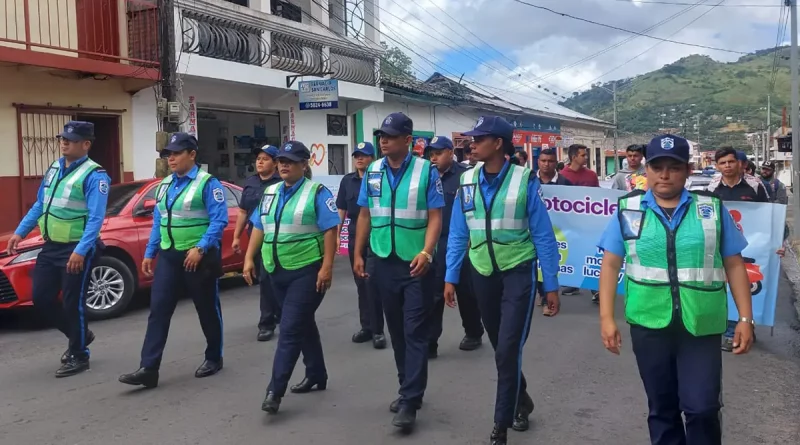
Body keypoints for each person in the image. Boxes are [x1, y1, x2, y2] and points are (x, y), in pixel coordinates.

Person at [597, 134, 754, 445]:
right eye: (658, 167)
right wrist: (606, 318)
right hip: (648, 323)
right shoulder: (629, 209)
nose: (665, 175)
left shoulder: (710, 209)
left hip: (701, 324)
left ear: (687, 171)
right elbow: (611, 264)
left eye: (674, 167)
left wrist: (746, 320)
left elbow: (734, 265)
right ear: (647, 170)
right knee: (662, 407)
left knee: (702, 408)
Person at [445, 116, 561, 445]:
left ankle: (501, 424)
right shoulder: (466, 181)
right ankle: (522, 399)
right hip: (481, 272)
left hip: (518, 272)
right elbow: (458, 232)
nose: (472, 143)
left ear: (498, 143)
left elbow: (543, 235)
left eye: (479, 139)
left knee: (508, 348)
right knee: (501, 349)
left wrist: (549, 284)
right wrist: (451, 275)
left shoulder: (525, 181)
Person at [352, 112, 444, 430]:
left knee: (414, 330)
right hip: (382, 259)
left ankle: (409, 401)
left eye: (390, 135)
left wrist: (427, 252)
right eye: (381, 135)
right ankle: (409, 389)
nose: (383, 139)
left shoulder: (426, 171)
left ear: (408, 140)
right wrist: (359, 253)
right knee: (397, 331)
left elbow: (435, 216)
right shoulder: (373, 171)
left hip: (415, 263)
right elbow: (364, 214)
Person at [119, 133, 228, 388]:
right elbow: (160, 220)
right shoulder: (165, 184)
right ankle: (149, 368)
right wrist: (150, 252)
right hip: (169, 256)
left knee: (207, 309)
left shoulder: (208, 183)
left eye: (177, 153)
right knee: (158, 311)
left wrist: (200, 248)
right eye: (169, 154)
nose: (171, 158)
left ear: (192, 154)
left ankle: (214, 357)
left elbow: (219, 220)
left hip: (198, 257)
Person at [7, 121, 109, 378]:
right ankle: (82, 335)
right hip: (51, 247)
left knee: (73, 303)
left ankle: (79, 354)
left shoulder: (95, 176)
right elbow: (41, 204)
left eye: (71, 140)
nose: (64, 142)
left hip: (77, 248)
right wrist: (20, 231)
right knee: (41, 299)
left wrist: (81, 251)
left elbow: (96, 219)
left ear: (86, 144)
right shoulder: (54, 167)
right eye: (62, 138)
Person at [242, 141, 338, 414]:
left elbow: (331, 229)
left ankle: (275, 390)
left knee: (290, 329)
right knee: (302, 323)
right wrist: (250, 257)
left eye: (291, 161)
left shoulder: (316, 192)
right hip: (275, 270)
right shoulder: (270, 192)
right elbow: (259, 226)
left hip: (307, 271)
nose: (284, 165)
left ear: (304, 164)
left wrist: (327, 267)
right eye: (281, 160)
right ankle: (317, 374)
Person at [425, 136, 485, 357]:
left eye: (438, 152)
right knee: (434, 293)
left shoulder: (465, 176)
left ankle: (473, 331)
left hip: (462, 242)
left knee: (466, 292)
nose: (433, 157)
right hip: (435, 242)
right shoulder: (426, 176)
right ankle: (430, 341)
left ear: (451, 152)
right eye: (431, 153)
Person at [706, 147, 769, 352]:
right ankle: (730, 330)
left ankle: (746, 325)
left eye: (730, 162)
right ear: (717, 166)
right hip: (723, 245)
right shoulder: (712, 187)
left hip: (753, 245)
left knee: (751, 284)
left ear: (739, 164)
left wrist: (778, 243)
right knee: (725, 285)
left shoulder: (755, 185)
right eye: (722, 163)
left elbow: (770, 216)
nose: (727, 166)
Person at [337, 142, 386, 349]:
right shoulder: (347, 181)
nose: (359, 159)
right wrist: (338, 234)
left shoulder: (379, 178)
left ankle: (378, 330)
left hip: (376, 233)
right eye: (356, 155)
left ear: (372, 158)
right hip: (356, 232)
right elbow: (341, 209)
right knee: (360, 282)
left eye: (364, 156)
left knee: (372, 282)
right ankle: (366, 326)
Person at [232, 145, 283, 341]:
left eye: (265, 159)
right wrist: (237, 236)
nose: (260, 162)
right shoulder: (251, 183)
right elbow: (243, 211)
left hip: (278, 238)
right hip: (257, 238)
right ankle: (266, 323)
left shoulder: (281, 184)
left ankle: (282, 315)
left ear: (276, 163)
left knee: (278, 279)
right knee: (265, 280)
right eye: (258, 158)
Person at [559, 144, 601, 301]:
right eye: (583, 155)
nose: (586, 158)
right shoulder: (562, 176)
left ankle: (595, 289)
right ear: (573, 157)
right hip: (570, 224)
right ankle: (573, 282)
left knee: (591, 254)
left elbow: (598, 197)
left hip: (589, 223)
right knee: (574, 253)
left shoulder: (591, 175)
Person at [536, 148, 572, 316]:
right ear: (538, 161)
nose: (546, 164)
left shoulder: (565, 183)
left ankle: (547, 298)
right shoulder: (529, 181)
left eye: (550, 161)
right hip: (533, 230)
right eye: (543, 160)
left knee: (549, 264)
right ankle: (540, 293)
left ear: (556, 163)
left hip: (558, 232)